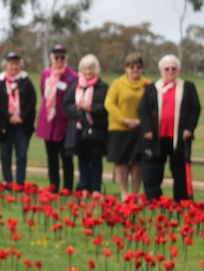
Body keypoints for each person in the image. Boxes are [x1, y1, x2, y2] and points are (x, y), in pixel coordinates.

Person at [138, 54, 201, 202]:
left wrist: (189, 129)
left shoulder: (188, 87)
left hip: (179, 138)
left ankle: (181, 201)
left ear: (179, 70)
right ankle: (154, 200)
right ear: (161, 71)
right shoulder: (152, 88)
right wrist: (147, 129)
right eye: (167, 69)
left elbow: (195, 109)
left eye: (174, 68)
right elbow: (143, 109)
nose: (170, 71)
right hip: (156, 138)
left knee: (180, 172)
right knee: (153, 171)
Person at [104, 52, 149, 201]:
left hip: (139, 128)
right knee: (121, 160)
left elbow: (151, 105)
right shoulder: (117, 84)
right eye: (131, 67)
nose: (135, 70)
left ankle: (135, 193)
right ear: (126, 68)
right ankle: (124, 192)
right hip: (120, 128)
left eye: (138, 67)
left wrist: (141, 121)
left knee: (137, 162)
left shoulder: (147, 85)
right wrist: (124, 120)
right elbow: (109, 103)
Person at [63, 54, 109, 195]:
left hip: (96, 129)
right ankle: (83, 187)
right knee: (82, 160)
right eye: (85, 69)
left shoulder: (103, 87)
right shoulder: (75, 86)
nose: (88, 72)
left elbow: (106, 107)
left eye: (91, 69)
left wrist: (91, 109)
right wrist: (78, 110)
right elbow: (66, 105)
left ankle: (95, 188)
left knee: (96, 160)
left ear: (96, 70)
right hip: (78, 129)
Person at [36, 44, 78, 194]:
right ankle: (53, 185)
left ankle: (67, 187)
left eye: (62, 57)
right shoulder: (46, 74)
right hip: (49, 122)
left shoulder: (72, 76)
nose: (59, 60)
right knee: (51, 157)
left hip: (65, 122)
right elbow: (43, 91)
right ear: (52, 58)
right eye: (56, 57)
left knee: (66, 157)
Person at [0, 51, 37, 186]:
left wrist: (22, 117)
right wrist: (8, 117)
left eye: (16, 64)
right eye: (11, 64)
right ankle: (7, 182)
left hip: (22, 125)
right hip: (5, 124)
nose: (14, 67)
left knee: (21, 156)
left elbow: (32, 102)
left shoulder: (26, 82)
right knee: (5, 155)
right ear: (5, 65)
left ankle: (20, 183)